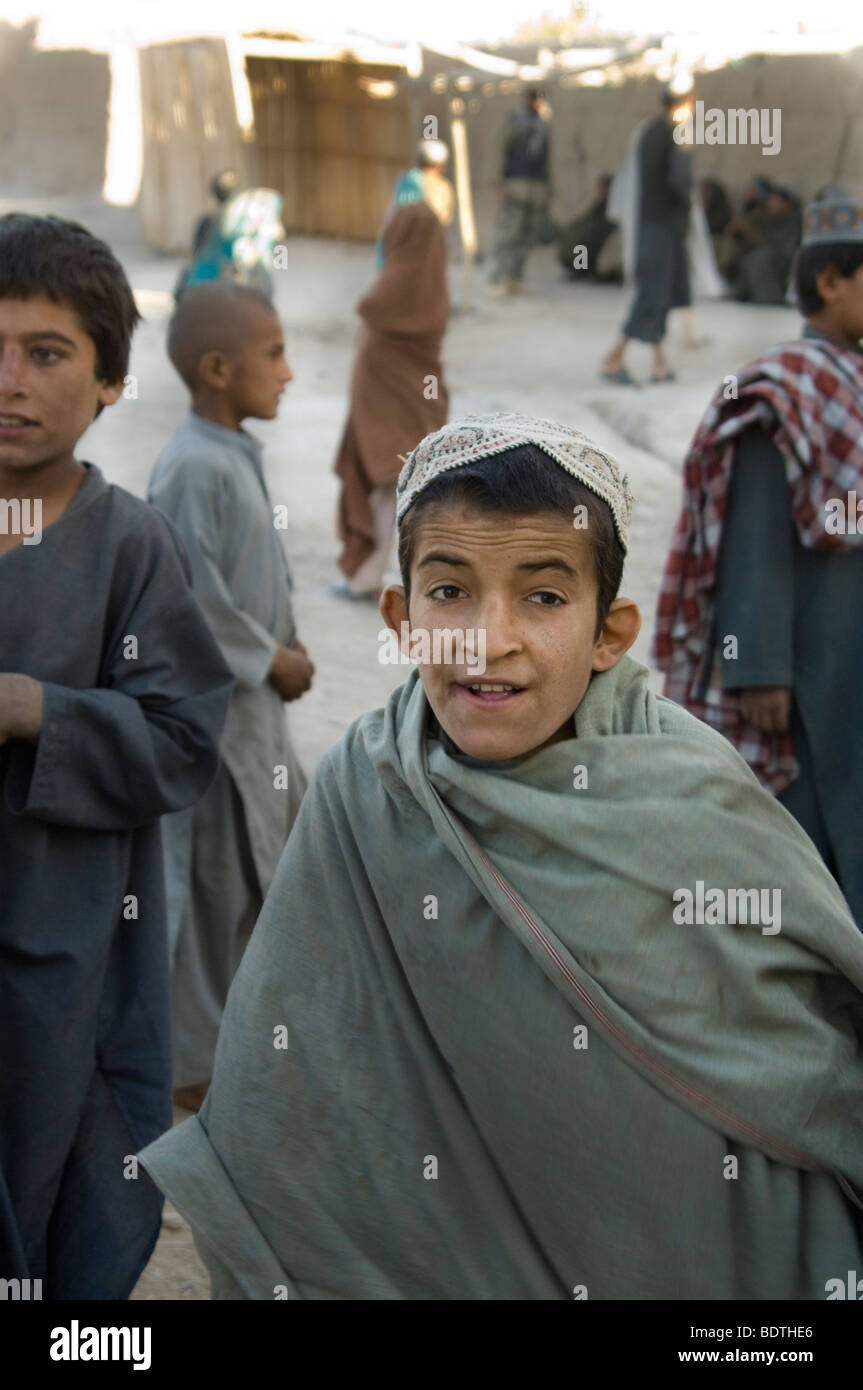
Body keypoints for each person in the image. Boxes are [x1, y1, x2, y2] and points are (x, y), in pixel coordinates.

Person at [142, 412, 863, 1300]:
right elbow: (289, 1091)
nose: (489, 639)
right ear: (401, 618)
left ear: (610, 630)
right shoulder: (362, 791)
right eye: (449, 592)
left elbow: (808, 1058)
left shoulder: (692, 797)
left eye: (545, 596)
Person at [0, 214, 233, 1297]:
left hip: (67, 941)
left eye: (47, 354)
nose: (12, 381)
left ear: (106, 384)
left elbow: (184, 738)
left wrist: (39, 710)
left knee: (57, 1173)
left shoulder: (131, 546)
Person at [653, 196, 863, 928]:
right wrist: (758, 663)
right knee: (806, 828)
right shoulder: (784, 388)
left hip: (852, 654)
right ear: (830, 282)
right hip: (805, 654)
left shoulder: (854, 381)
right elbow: (753, 529)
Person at [148, 282, 311, 1113]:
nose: (287, 373)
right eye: (273, 354)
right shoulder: (189, 469)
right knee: (211, 893)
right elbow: (191, 599)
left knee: (256, 880)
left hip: (255, 724)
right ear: (217, 369)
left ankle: (234, 1043)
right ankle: (188, 1066)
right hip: (214, 726)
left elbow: (252, 577)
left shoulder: (232, 455)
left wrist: (288, 643)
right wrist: (268, 659)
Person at [331, 191, 450, 601]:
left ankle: (371, 574)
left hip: (387, 398)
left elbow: (370, 305)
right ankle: (384, 574)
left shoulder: (399, 285)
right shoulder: (430, 283)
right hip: (405, 398)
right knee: (399, 482)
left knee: (387, 482)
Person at [601, 90, 692, 385]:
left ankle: (659, 365)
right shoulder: (675, 133)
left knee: (659, 295)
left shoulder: (649, 131)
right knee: (652, 295)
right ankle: (613, 359)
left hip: (650, 225)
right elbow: (679, 182)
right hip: (663, 227)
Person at [487, 89, 552, 297]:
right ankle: (498, 278)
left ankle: (515, 278)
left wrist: (549, 190)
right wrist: (499, 184)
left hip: (536, 188)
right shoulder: (513, 122)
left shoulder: (544, 124)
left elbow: (548, 159)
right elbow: (498, 151)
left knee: (527, 235)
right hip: (515, 185)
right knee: (508, 234)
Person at [734, 184, 802, 306]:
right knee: (750, 258)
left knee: (762, 258)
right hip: (768, 253)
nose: (771, 203)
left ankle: (769, 298)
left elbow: (788, 247)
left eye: (775, 201)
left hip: (783, 257)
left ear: (786, 203)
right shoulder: (770, 219)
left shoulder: (794, 220)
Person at [556, 173, 618, 281]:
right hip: (590, 243)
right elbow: (585, 221)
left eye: (606, 188)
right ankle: (580, 270)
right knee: (575, 239)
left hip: (600, 245)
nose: (602, 191)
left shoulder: (615, 206)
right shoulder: (598, 206)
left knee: (582, 243)